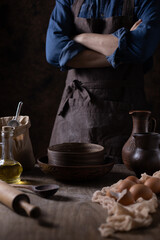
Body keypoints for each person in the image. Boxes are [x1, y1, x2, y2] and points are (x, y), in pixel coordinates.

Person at [46, 0, 160, 163]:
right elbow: (54, 52)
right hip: (73, 119)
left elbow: (140, 48)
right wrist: (121, 54)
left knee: (122, 187)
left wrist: (80, 38)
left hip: (125, 123)